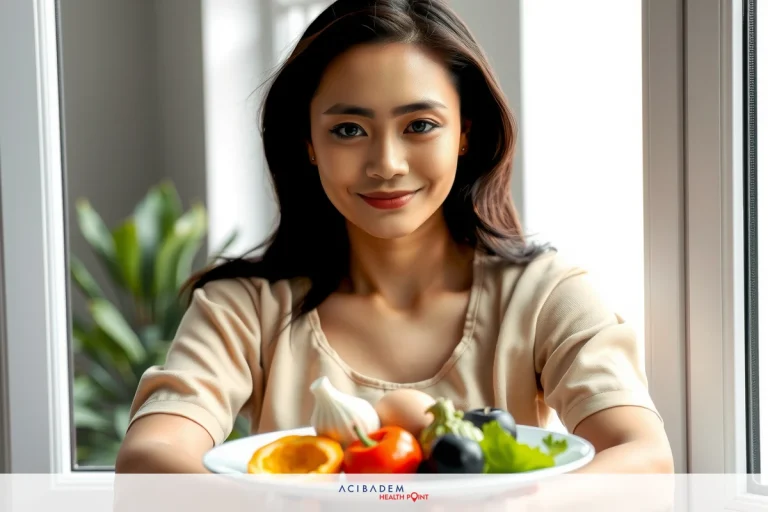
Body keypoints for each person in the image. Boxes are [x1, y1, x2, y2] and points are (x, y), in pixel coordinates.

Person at [115, 0, 673, 475]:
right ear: (308, 143)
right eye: (349, 130)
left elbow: (643, 456)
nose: (386, 164)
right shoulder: (245, 308)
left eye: (420, 125)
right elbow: (150, 455)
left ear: (465, 133)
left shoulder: (544, 295)